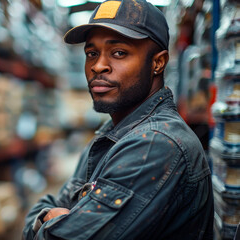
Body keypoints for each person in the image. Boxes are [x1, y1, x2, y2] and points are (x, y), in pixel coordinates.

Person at [22, 0, 214, 239]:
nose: (98, 66)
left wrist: (49, 221)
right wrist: (47, 217)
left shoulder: (155, 144)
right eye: (91, 53)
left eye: (119, 53)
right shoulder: (112, 135)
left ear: (158, 62)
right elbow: (49, 206)